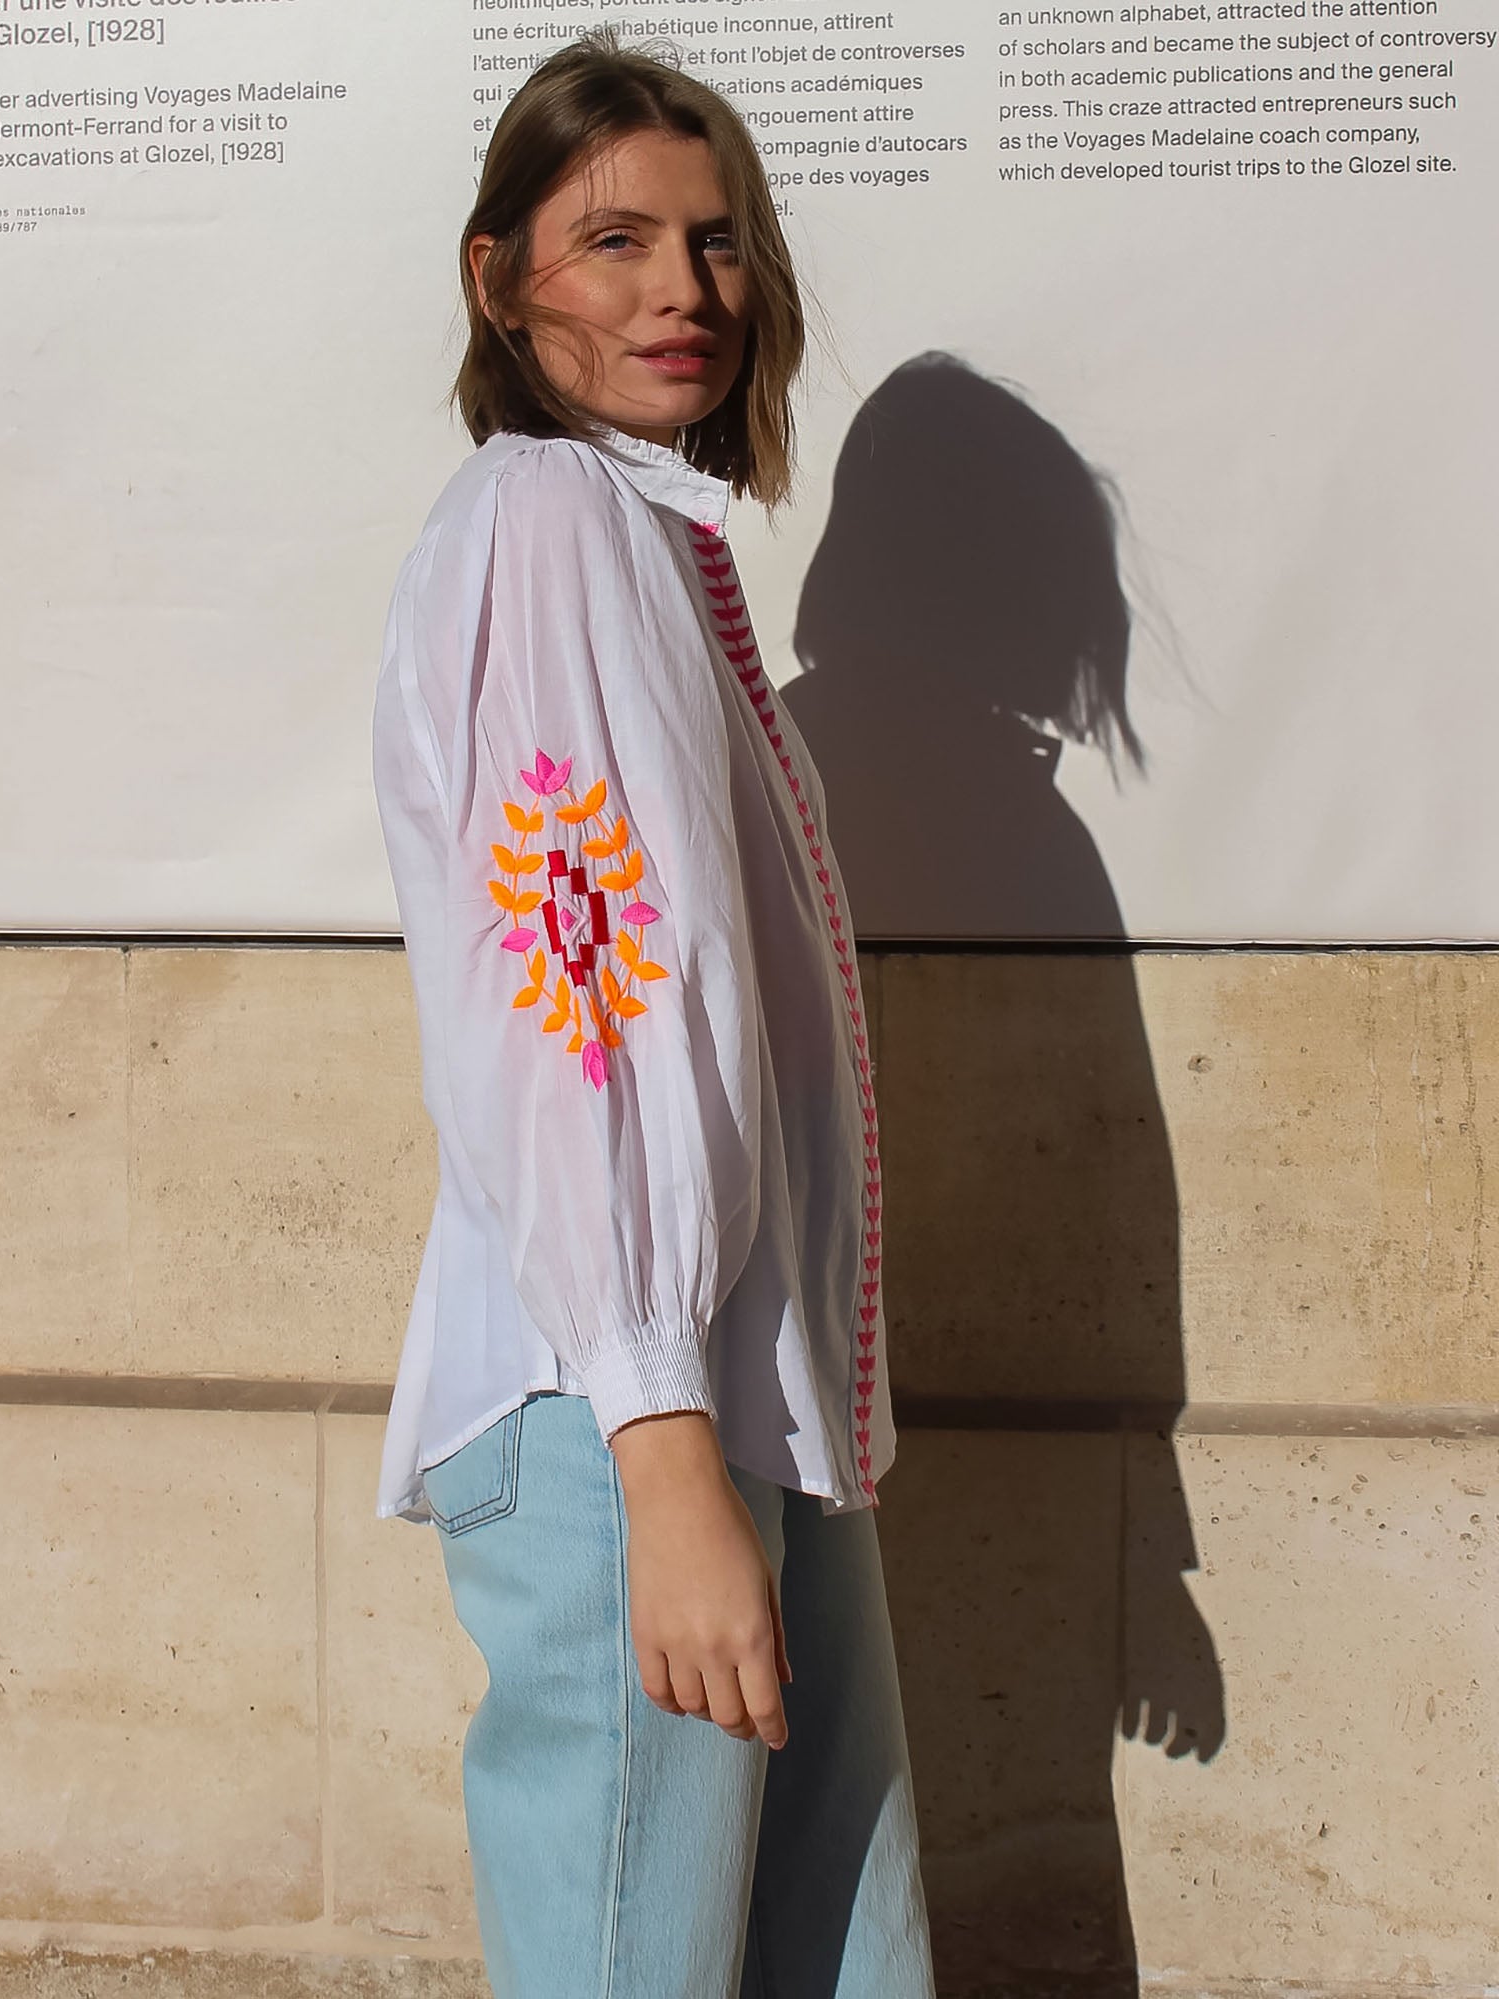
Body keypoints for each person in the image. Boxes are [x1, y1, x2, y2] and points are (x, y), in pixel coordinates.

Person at [370, 26, 936, 1997]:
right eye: (613, 240)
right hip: (635, 1415)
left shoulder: (634, 542)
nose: (681, 290)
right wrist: (662, 1443)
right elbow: (577, 1010)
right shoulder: (546, 521)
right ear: (498, 275)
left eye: (713, 240)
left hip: (719, 1397)